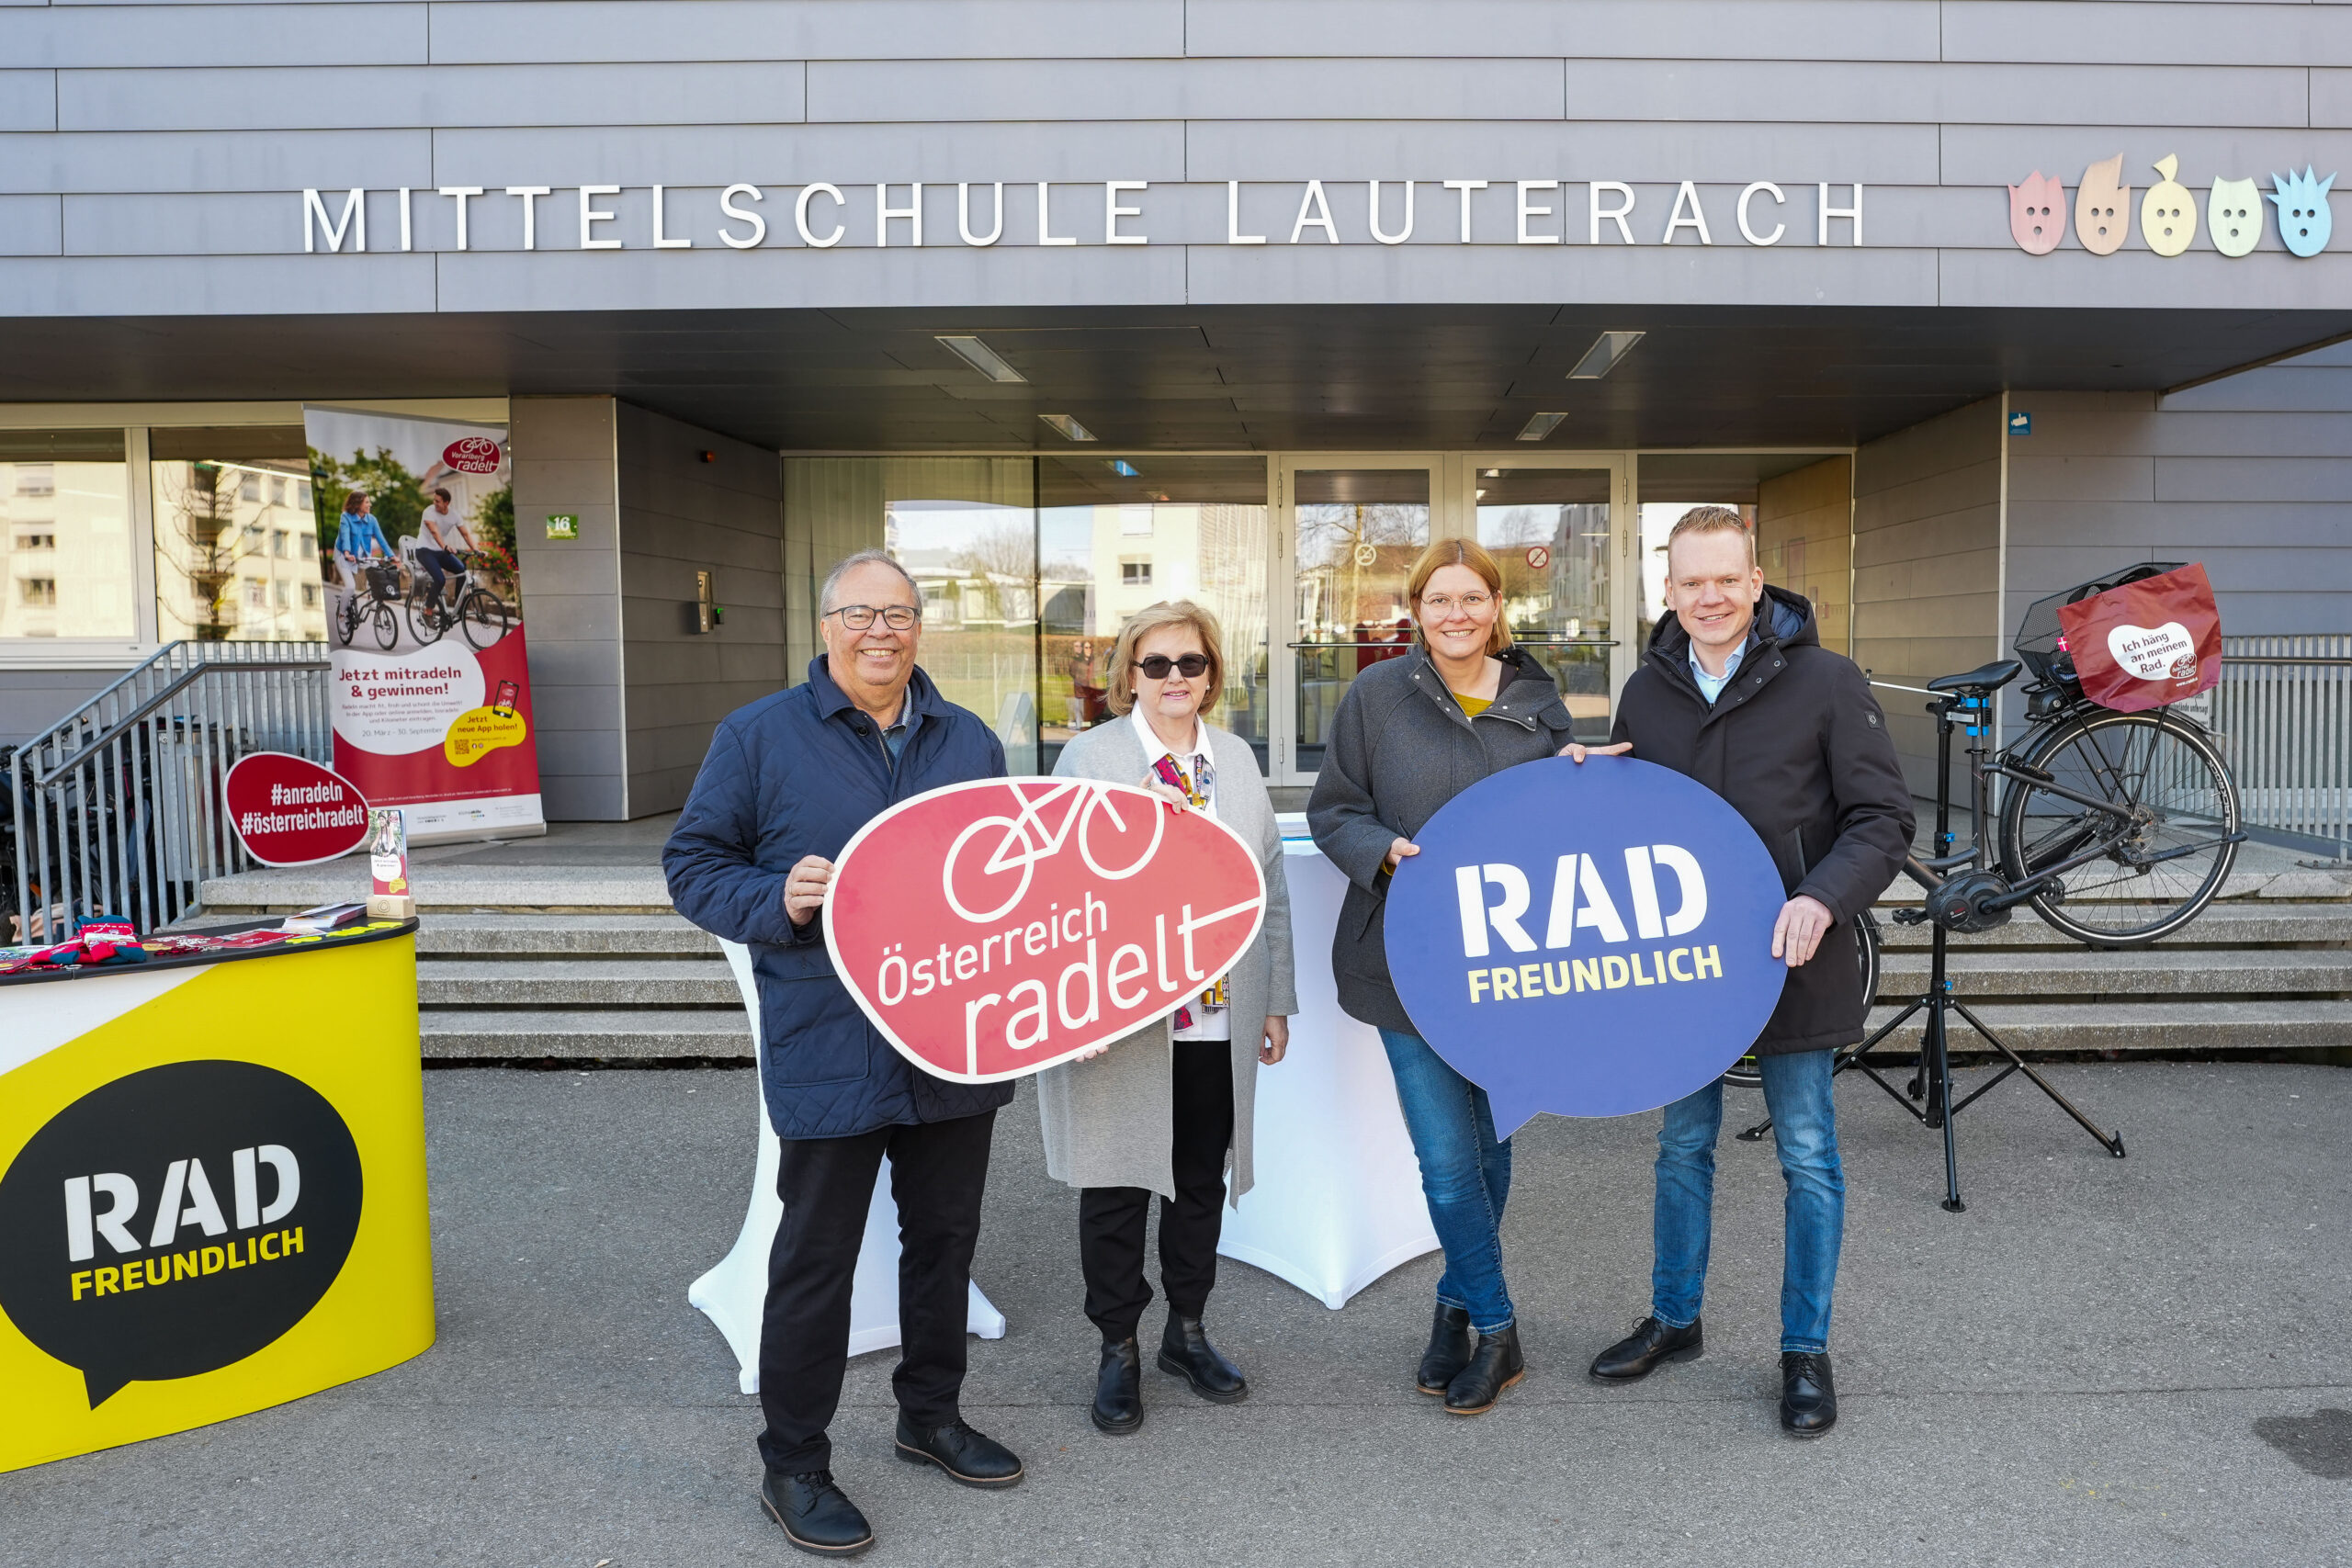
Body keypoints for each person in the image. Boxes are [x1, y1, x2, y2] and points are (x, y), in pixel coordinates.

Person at [663, 548, 1024, 1559]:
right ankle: (794, 1463)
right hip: (831, 1032)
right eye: (861, 612)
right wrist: (773, 900)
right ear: (826, 625)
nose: (881, 631)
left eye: (900, 613)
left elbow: (1007, 882)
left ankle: (930, 1417)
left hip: (953, 1039)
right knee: (815, 1257)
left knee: (945, 1241)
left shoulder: (969, 739)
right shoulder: (759, 737)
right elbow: (692, 865)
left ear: (920, 628)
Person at [1581, 505, 1913, 1438]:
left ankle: (1804, 1349)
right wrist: (1580, 786)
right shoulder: (1645, 694)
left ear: (1756, 582)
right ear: (1669, 590)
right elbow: (1629, 830)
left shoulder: (1826, 682)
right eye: (1691, 582)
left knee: (1807, 1156)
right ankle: (1674, 1320)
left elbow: (1882, 820)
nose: (1710, 597)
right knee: (1680, 1148)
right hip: (1684, 975)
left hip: (1794, 959)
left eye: (1726, 579)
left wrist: (1822, 897)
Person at [1307, 538, 1577, 1416]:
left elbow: (1567, 827)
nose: (1456, 615)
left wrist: (1583, 786)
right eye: (1438, 601)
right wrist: (1380, 852)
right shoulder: (1377, 695)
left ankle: (1453, 1307)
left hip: (1512, 966)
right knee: (1446, 1160)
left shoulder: (1540, 705)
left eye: (1472, 599)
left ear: (1498, 607)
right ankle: (1499, 1328)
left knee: (1492, 1150)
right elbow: (1333, 807)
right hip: (1406, 960)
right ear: (1415, 611)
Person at [1034, 601, 1297, 1437]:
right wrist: (1072, 1006)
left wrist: (1277, 998)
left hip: (1218, 1016)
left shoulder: (1237, 761)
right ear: (1129, 675)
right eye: (1157, 664)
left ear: (1212, 675)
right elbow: (1055, 893)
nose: (1175, 678)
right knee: (1114, 1186)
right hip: (1121, 1019)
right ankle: (1117, 1346)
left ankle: (1187, 1330)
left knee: (1195, 1186)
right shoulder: (1091, 757)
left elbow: (1270, 882)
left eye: (1191, 663)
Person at [415, 486, 477, 610]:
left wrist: (477, 550)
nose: (434, 503)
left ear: (446, 503)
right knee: (440, 579)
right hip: (424, 550)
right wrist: (445, 546)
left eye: (437, 501)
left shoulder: (454, 515)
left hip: (440, 551)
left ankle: (459, 608)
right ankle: (428, 610)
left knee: (462, 571)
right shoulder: (428, 512)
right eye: (434, 500)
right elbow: (434, 532)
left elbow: (465, 534)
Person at [334, 492, 389, 598]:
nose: (370, 505)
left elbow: (381, 540)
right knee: (350, 587)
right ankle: (341, 614)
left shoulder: (372, 519)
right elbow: (345, 536)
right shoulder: (345, 517)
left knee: (376, 569)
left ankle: (370, 599)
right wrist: (347, 553)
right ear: (358, 504)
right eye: (367, 502)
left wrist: (392, 556)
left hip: (359, 555)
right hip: (343, 555)